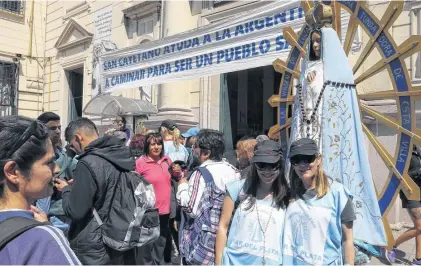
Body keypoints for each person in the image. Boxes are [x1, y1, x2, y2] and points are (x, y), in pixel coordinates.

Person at [287, 3, 386, 246]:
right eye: (313, 41)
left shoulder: (337, 73)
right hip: (306, 131)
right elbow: (301, 106)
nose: (316, 45)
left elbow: (337, 107)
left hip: (325, 133)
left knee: (325, 178)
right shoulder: (305, 70)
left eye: (320, 41)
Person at [0, 116, 81, 265]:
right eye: (49, 162)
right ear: (13, 172)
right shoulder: (43, 239)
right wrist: (48, 230)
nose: (56, 169)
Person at [55, 117, 136, 264]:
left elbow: (75, 211)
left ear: (78, 138)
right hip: (121, 235)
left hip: (94, 243)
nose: (72, 148)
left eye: (72, 144)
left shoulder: (87, 162)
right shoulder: (122, 154)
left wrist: (66, 189)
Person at [215, 140, 290, 265]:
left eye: (273, 165)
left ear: (280, 165)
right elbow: (223, 226)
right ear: (255, 165)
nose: (267, 171)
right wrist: (218, 263)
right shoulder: (237, 189)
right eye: (262, 165)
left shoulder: (288, 197)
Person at [283, 138, 355, 265]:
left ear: (318, 158)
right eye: (296, 160)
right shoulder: (289, 193)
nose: (302, 164)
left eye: (308, 158)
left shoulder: (339, 194)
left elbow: (348, 239)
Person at [177, 129, 240, 265]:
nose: (193, 150)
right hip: (229, 238)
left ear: (206, 153)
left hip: (204, 244)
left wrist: (182, 187)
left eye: (195, 147)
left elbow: (191, 208)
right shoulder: (234, 171)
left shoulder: (201, 174)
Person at [36, 112, 77, 234]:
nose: (58, 131)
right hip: (40, 215)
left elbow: (76, 171)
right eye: (53, 128)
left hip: (62, 214)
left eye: (59, 127)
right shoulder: (33, 155)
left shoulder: (64, 155)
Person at [135, 132, 172, 264]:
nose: (157, 147)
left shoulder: (167, 160)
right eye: (153, 144)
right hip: (148, 212)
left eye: (159, 144)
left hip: (165, 210)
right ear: (147, 146)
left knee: (160, 244)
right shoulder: (140, 163)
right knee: (146, 248)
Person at [386, 145, 421, 264]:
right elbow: (399, 174)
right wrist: (419, 171)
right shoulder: (404, 154)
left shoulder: (418, 152)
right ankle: (392, 247)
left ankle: (418, 259)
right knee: (419, 227)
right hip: (410, 194)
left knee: (419, 228)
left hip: (419, 192)